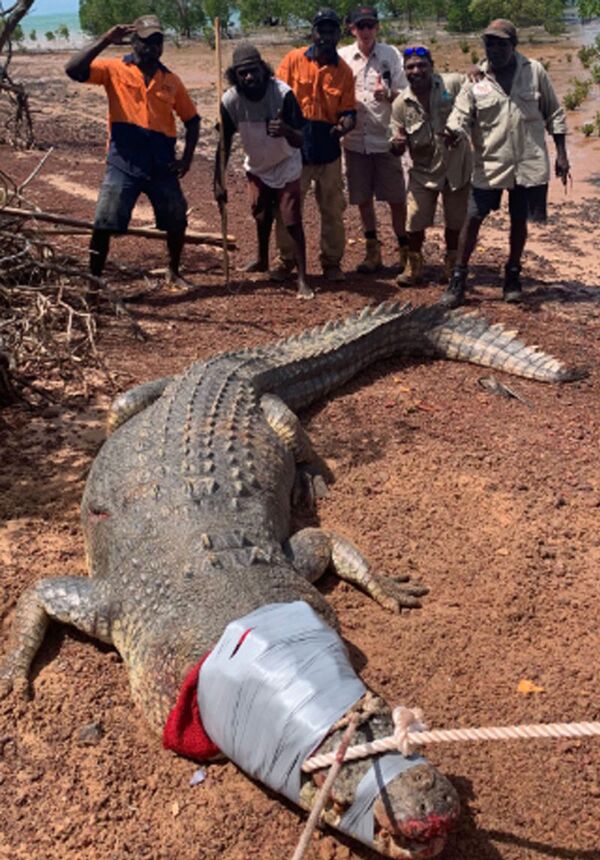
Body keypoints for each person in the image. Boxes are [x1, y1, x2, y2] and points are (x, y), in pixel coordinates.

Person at [440, 18, 569, 308]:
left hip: (528, 162)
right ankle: (458, 278)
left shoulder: (534, 71)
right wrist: (453, 133)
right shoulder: (476, 79)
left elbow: (555, 114)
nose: (494, 49)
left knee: (519, 220)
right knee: (473, 217)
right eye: (489, 43)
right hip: (490, 162)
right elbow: (459, 115)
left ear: (513, 46)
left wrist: (562, 153)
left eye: (501, 43)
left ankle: (512, 275)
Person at [65, 16, 200, 289]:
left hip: (161, 164)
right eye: (147, 41)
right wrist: (104, 40)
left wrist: (186, 158)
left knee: (176, 217)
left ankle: (173, 271)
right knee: (104, 221)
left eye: (158, 41)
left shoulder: (171, 80)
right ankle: (94, 281)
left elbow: (192, 120)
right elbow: (73, 70)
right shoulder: (114, 69)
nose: (153, 47)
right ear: (133, 41)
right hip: (123, 162)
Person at [213, 44, 312, 299]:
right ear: (235, 75)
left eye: (253, 71)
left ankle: (302, 278)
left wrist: (286, 131)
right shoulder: (230, 100)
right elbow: (223, 144)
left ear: (263, 69)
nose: (249, 77)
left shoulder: (282, 93)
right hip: (257, 166)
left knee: (291, 220)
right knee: (261, 216)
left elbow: (301, 139)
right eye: (242, 73)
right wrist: (218, 181)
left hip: (286, 163)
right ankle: (262, 259)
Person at [274, 8, 356, 283]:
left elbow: (348, 111)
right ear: (313, 32)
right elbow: (277, 99)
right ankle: (286, 260)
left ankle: (331, 262)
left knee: (332, 209)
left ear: (339, 34)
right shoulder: (293, 60)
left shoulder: (344, 72)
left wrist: (345, 124)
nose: (326, 36)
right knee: (288, 207)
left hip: (329, 151)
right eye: (322, 30)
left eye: (332, 30)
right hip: (296, 149)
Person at [389, 46, 472, 286]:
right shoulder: (400, 104)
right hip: (423, 170)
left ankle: (452, 265)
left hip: (457, 166)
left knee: (455, 222)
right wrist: (397, 144)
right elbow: (395, 144)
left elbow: (477, 93)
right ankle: (414, 265)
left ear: (432, 66)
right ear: (404, 71)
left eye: (422, 65)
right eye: (411, 67)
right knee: (414, 220)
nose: (417, 71)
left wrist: (477, 69)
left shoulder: (453, 84)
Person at [339, 6, 408, 274]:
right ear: (352, 29)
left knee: (396, 197)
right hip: (355, 140)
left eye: (370, 25)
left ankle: (405, 251)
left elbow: (406, 95)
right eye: (361, 26)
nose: (366, 31)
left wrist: (389, 95)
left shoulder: (391, 55)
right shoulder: (342, 57)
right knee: (362, 197)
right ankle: (373, 252)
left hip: (385, 138)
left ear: (377, 27)